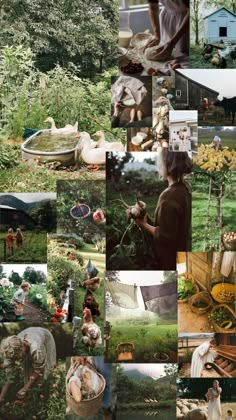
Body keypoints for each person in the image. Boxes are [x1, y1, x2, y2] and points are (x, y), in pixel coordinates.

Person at [135, 150, 192, 269]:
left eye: (159, 160)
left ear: (167, 163)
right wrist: (145, 213)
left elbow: (166, 235)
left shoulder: (168, 196)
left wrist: (144, 225)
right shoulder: (185, 189)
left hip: (169, 259)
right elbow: (170, 225)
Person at [0, 327, 56, 402]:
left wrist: (25, 388)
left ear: (21, 348)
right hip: (30, 333)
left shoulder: (36, 349)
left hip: (45, 337)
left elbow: (37, 370)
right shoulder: (10, 350)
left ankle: (45, 396)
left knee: (45, 370)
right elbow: (9, 374)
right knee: (28, 369)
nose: (16, 360)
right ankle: (30, 397)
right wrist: (2, 396)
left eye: (16, 358)